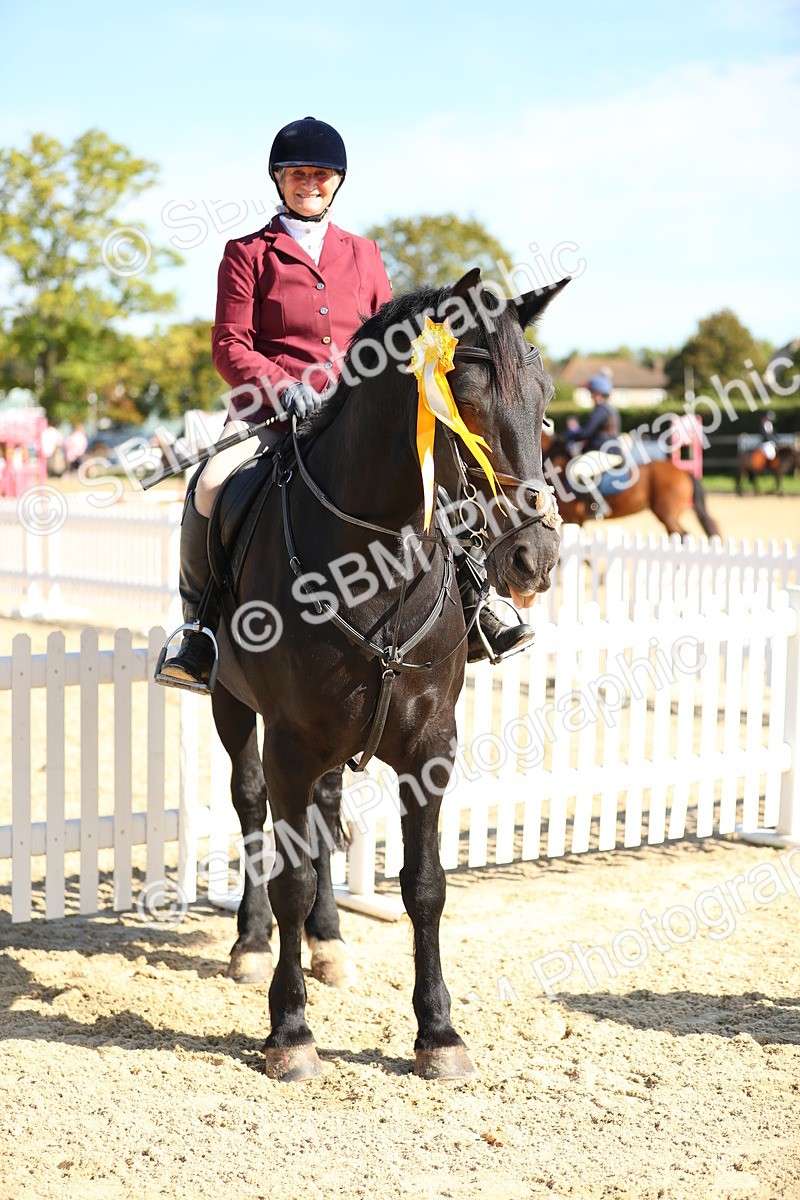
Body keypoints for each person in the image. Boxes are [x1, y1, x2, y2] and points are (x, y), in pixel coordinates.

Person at [156, 117, 532, 692]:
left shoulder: (363, 253)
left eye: (321, 174)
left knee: (441, 475)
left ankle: (478, 603)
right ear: (279, 180)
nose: (310, 182)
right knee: (210, 482)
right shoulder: (248, 253)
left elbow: (391, 336)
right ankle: (198, 630)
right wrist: (282, 387)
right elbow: (230, 344)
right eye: (298, 173)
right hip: (275, 413)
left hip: (354, 416)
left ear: (338, 182)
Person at [563, 374, 622, 518]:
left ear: (598, 392)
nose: (590, 396)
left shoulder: (601, 409)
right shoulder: (607, 409)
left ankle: (600, 506)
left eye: (591, 392)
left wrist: (570, 434)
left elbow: (586, 433)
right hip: (606, 450)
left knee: (577, 470)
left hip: (606, 452)